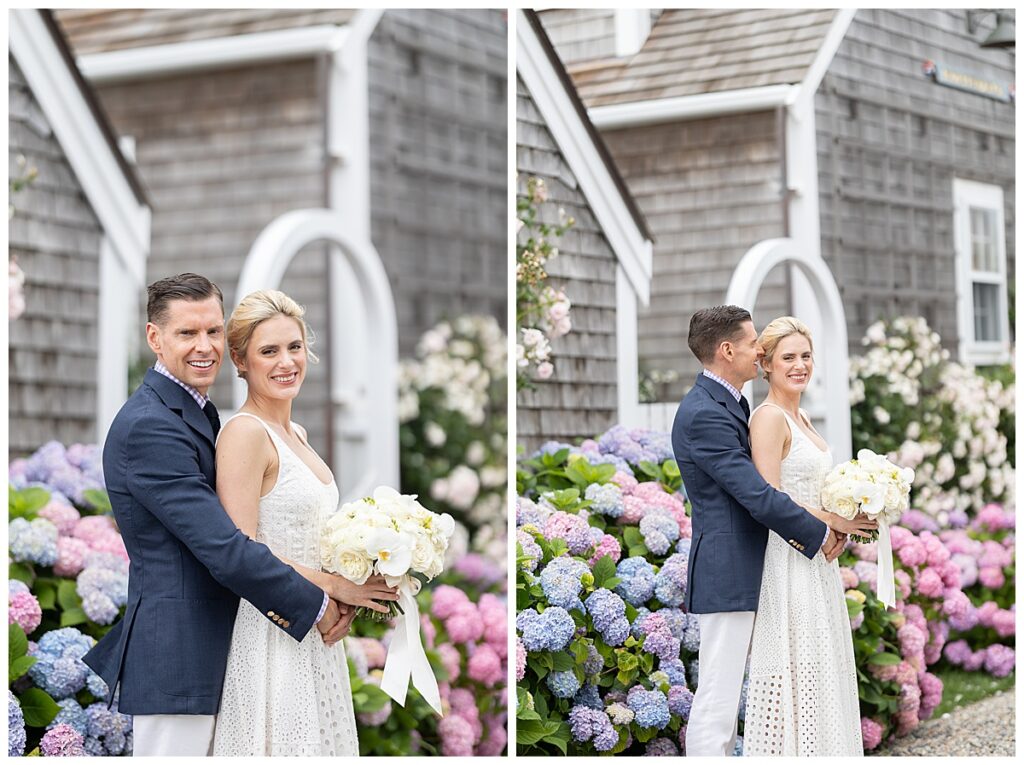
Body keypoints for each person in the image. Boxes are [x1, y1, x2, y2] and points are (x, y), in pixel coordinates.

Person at [83, 274, 396, 756]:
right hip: (180, 653)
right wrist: (326, 592)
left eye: (212, 330)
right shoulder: (151, 425)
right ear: (154, 338)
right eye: (187, 333)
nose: (203, 346)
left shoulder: (194, 411)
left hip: (229, 641)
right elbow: (227, 548)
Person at [211, 289, 394, 755]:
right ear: (240, 360)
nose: (286, 362)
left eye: (293, 347)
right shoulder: (244, 433)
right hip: (269, 631)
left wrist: (353, 581)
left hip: (315, 629)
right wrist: (333, 586)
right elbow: (242, 548)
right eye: (268, 351)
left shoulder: (298, 434)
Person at [671, 305, 845, 757]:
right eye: (753, 344)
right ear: (727, 350)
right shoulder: (705, 413)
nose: (760, 350)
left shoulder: (730, 402)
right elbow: (757, 494)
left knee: (737, 692)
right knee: (719, 696)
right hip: (729, 569)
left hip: (758, 564)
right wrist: (822, 530)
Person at [743, 317, 869, 755]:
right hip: (786, 558)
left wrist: (848, 513)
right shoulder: (769, 418)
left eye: (805, 356)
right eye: (788, 357)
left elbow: (815, 490)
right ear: (767, 366)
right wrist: (834, 520)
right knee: (793, 668)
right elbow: (771, 497)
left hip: (816, 558)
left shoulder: (804, 416)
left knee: (821, 665)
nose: (799, 365)